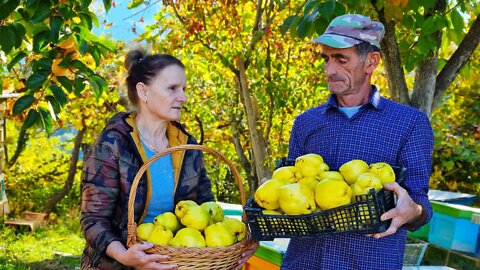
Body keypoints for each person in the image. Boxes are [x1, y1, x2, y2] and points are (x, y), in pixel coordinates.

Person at [81, 49, 256, 269]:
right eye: (172, 88)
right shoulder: (113, 144)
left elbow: (206, 209)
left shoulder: (187, 144)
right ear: (143, 92)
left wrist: (231, 245)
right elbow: (93, 221)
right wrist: (126, 257)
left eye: (183, 89)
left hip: (178, 263)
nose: (182, 97)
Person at [282, 14, 434, 269]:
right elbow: (288, 190)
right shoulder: (306, 123)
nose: (330, 70)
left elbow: (421, 204)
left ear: (371, 62)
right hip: (304, 262)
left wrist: (413, 211)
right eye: (327, 59)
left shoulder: (410, 124)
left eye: (342, 59)